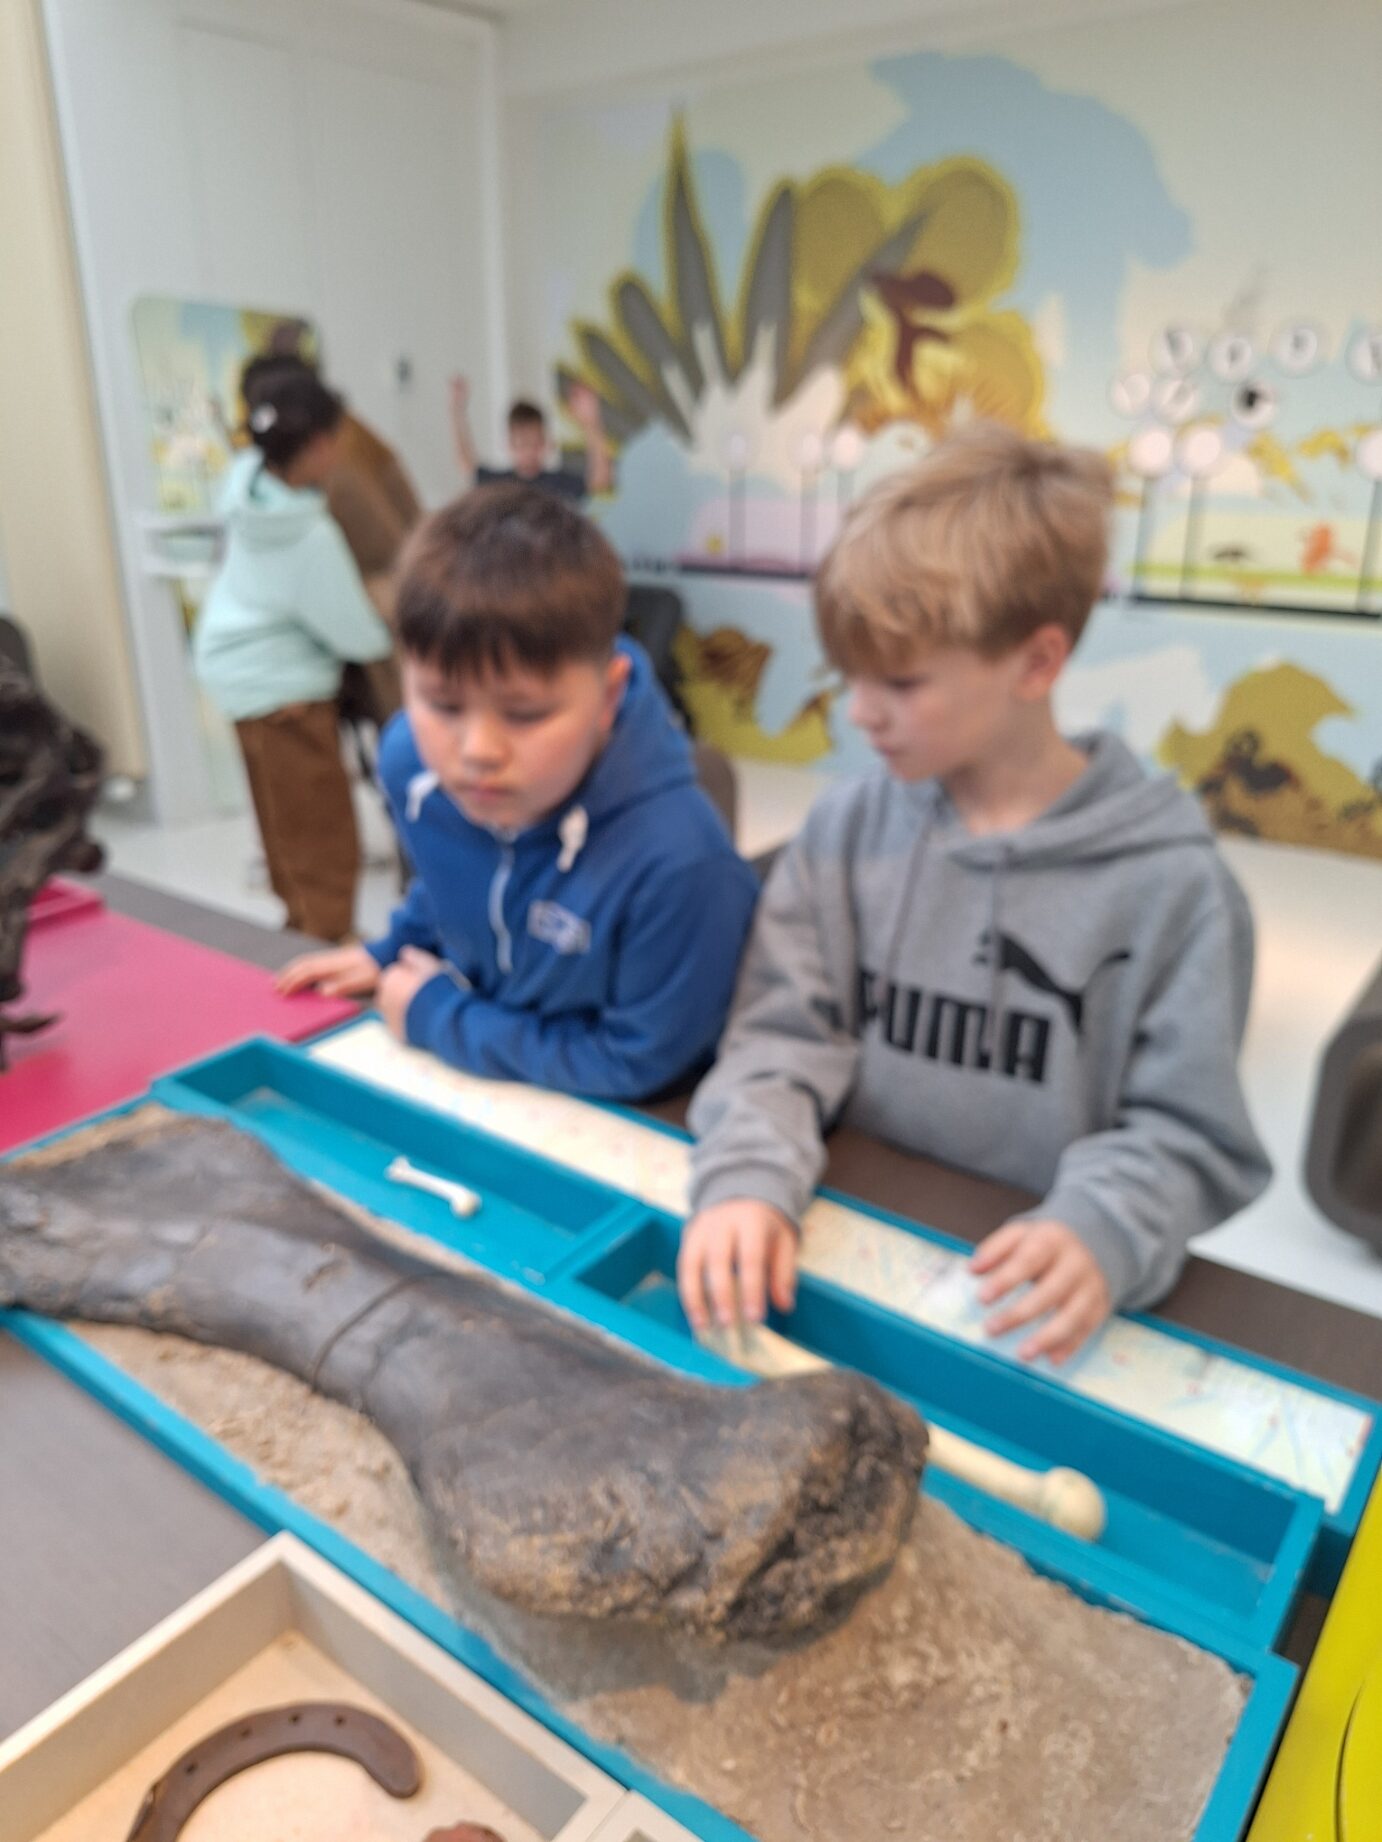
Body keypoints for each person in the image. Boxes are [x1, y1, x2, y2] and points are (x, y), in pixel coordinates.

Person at [677, 423, 1271, 1364]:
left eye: (901, 682)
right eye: (850, 676)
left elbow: (1187, 1135)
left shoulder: (1178, 891)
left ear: (1037, 662)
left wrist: (1105, 1227)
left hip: (1031, 1315)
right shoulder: (843, 832)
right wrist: (748, 1173)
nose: (860, 712)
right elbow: (779, 1039)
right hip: (843, 1254)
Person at [276, 483, 758, 1099]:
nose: (478, 751)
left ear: (608, 697)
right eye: (442, 704)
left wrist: (441, 1019)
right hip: (488, 1077)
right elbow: (454, 879)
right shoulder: (411, 763)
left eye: (525, 714)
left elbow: (638, 1061)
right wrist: (393, 946)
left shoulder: (683, 865)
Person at [194, 367, 394, 941]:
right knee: (322, 840)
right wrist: (384, 607)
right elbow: (358, 637)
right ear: (320, 443)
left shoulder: (246, 487)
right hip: (283, 690)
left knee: (285, 831)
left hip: (239, 675)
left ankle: (302, 933)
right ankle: (324, 946)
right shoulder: (308, 535)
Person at [449, 377, 613, 501]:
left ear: (546, 444)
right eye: (522, 444)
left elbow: (600, 480)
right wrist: (457, 411)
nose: (529, 451)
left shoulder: (557, 484)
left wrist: (591, 422)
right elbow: (467, 464)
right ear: (509, 444)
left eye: (535, 444)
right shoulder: (499, 485)